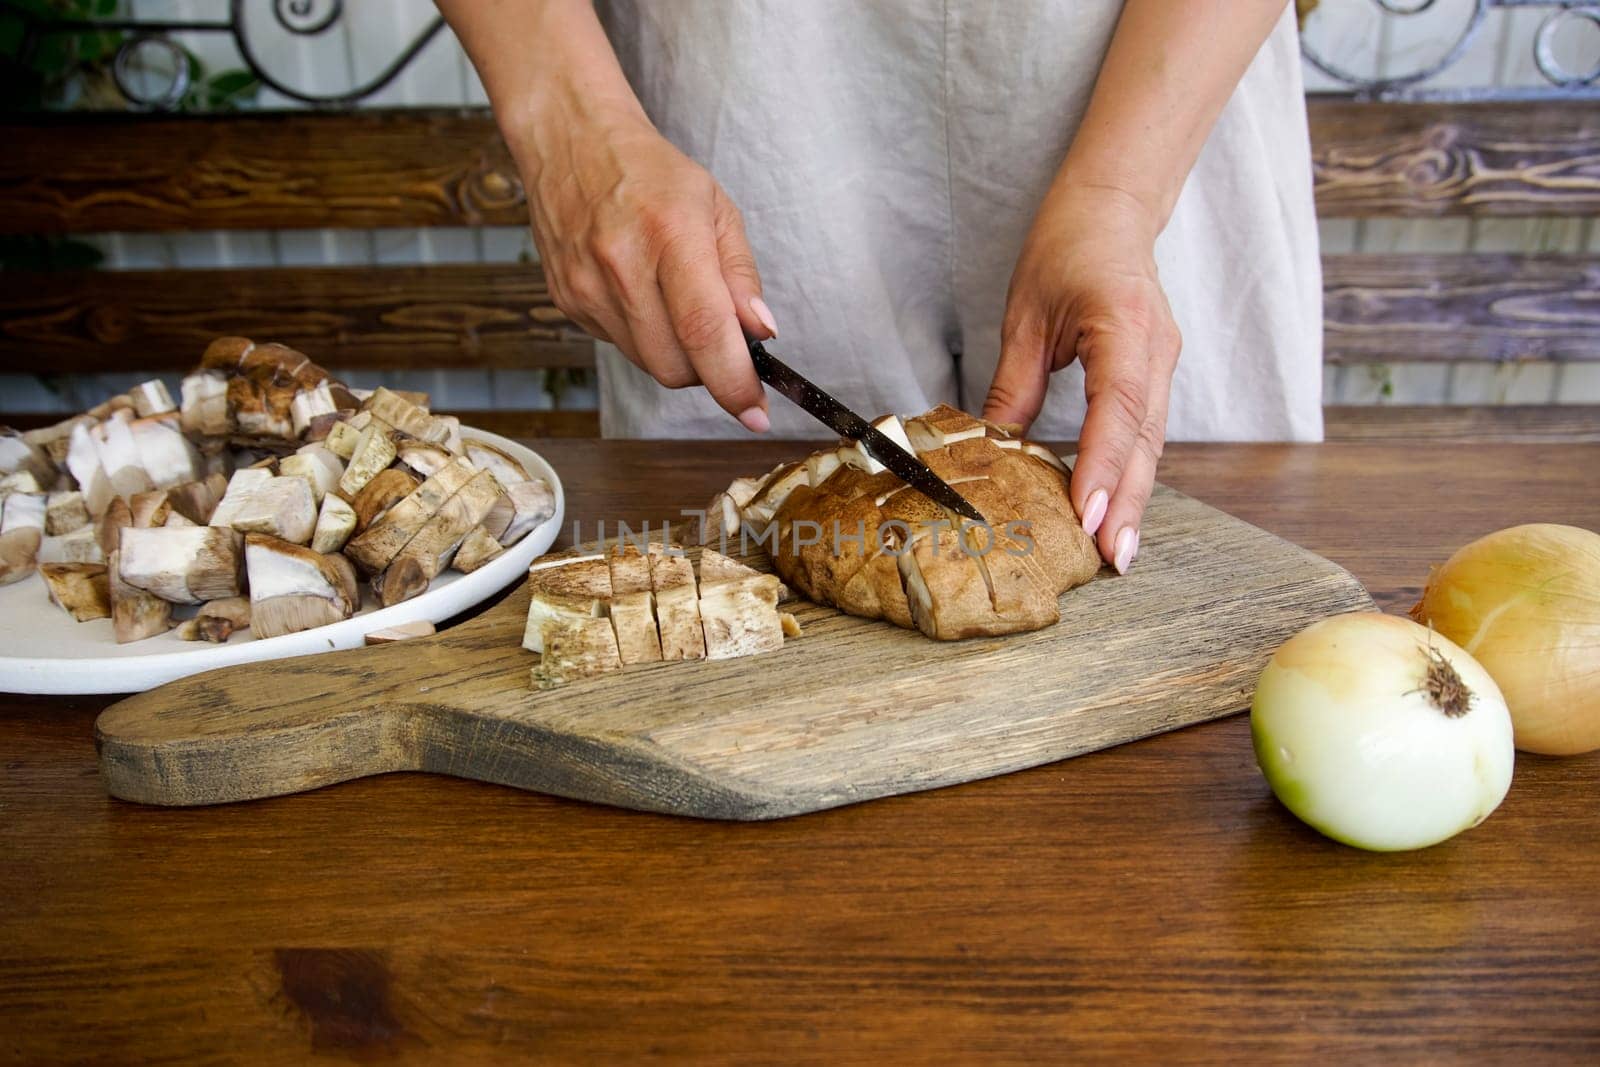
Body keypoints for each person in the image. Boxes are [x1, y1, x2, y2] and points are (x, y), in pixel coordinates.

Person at [438, 0, 1321, 575]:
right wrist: (566, 119)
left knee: (1184, 568)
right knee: (733, 577)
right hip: (734, 83)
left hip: (1167, 84)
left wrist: (1120, 197)